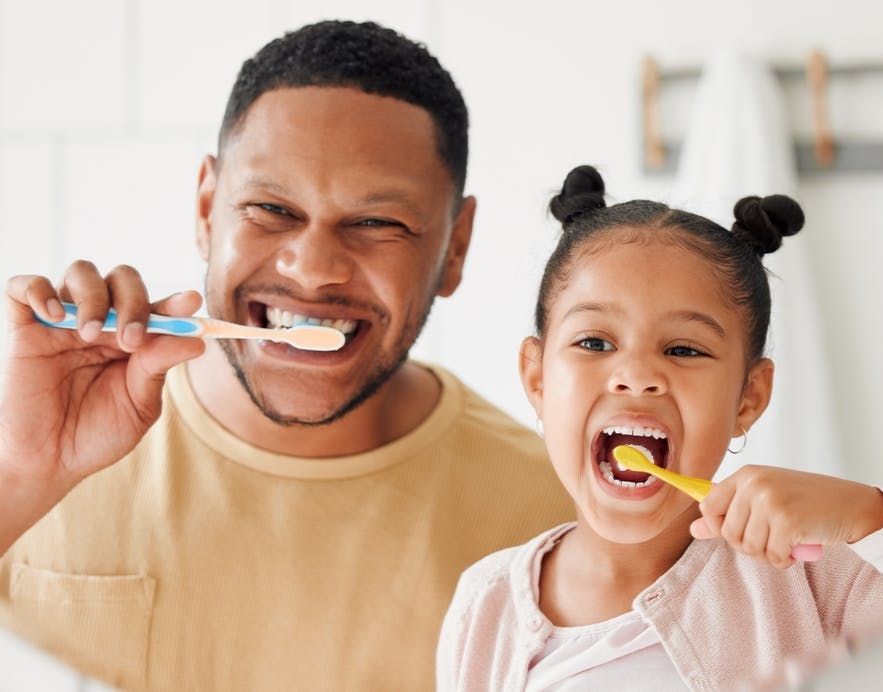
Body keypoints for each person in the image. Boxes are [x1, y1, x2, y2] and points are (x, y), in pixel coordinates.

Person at [0, 20, 574, 692]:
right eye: (271, 208)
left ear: (455, 247)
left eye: (376, 222)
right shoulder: (33, 461)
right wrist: (20, 475)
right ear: (207, 208)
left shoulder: (555, 524)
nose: (314, 270)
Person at [436, 165, 883, 691]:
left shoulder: (818, 578)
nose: (638, 377)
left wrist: (865, 515)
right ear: (537, 378)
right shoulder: (484, 605)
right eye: (595, 343)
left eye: (684, 349)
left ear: (748, 398)